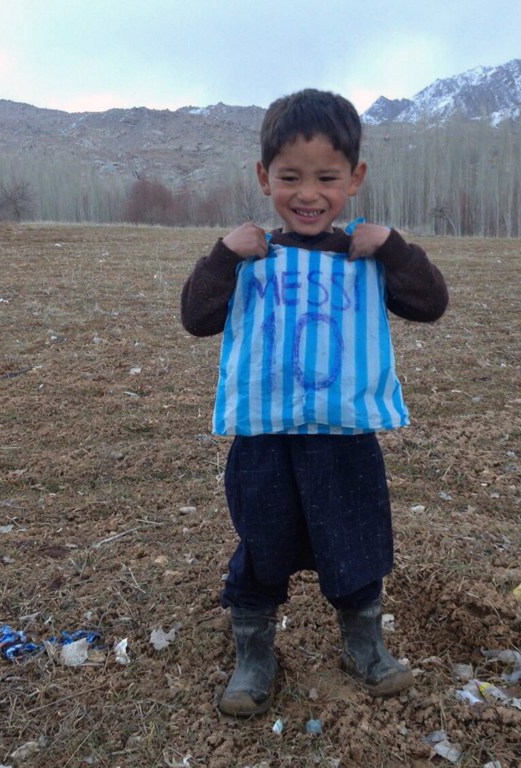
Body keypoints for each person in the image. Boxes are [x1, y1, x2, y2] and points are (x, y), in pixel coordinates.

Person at [181, 88, 448, 716]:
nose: (308, 194)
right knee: (262, 543)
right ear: (263, 178)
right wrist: (222, 256)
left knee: (355, 541)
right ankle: (254, 654)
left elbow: (431, 304)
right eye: (290, 177)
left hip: (346, 440)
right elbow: (196, 317)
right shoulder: (250, 254)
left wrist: (395, 248)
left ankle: (365, 647)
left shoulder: (368, 253)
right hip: (264, 439)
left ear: (354, 179)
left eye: (327, 177)